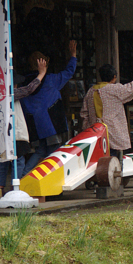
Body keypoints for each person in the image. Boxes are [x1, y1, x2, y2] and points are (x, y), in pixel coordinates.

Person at [20, 40, 78, 176]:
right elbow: (69, 72)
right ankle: (51, 178)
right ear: (44, 63)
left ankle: (24, 175)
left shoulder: (24, 83)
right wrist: (73, 55)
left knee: (40, 150)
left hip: (34, 124)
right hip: (51, 123)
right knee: (54, 151)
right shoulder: (51, 80)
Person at [0, 56, 47, 190]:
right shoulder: (10, 93)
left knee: (1, 162)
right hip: (14, 132)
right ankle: (15, 188)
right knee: (18, 161)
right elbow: (29, 89)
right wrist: (41, 74)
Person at [80, 61, 133, 157]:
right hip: (113, 134)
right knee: (113, 162)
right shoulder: (115, 89)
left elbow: (84, 114)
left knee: (97, 163)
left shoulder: (91, 91)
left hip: (94, 134)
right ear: (114, 77)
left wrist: (87, 129)